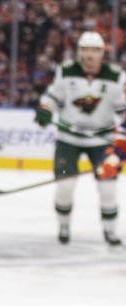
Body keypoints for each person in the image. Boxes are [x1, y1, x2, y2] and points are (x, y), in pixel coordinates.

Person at [35, 31, 123, 246]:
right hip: (69, 139)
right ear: (79, 53)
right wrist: (45, 109)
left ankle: (110, 232)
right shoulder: (65, 71)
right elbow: (51, 97)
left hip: (101, 140)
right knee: (65, 185)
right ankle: (63, 227)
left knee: (107, 188)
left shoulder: (116, 76)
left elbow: (123, 111)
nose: (90, 56)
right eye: (85, 50)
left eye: (94, 51)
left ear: (102, 53)